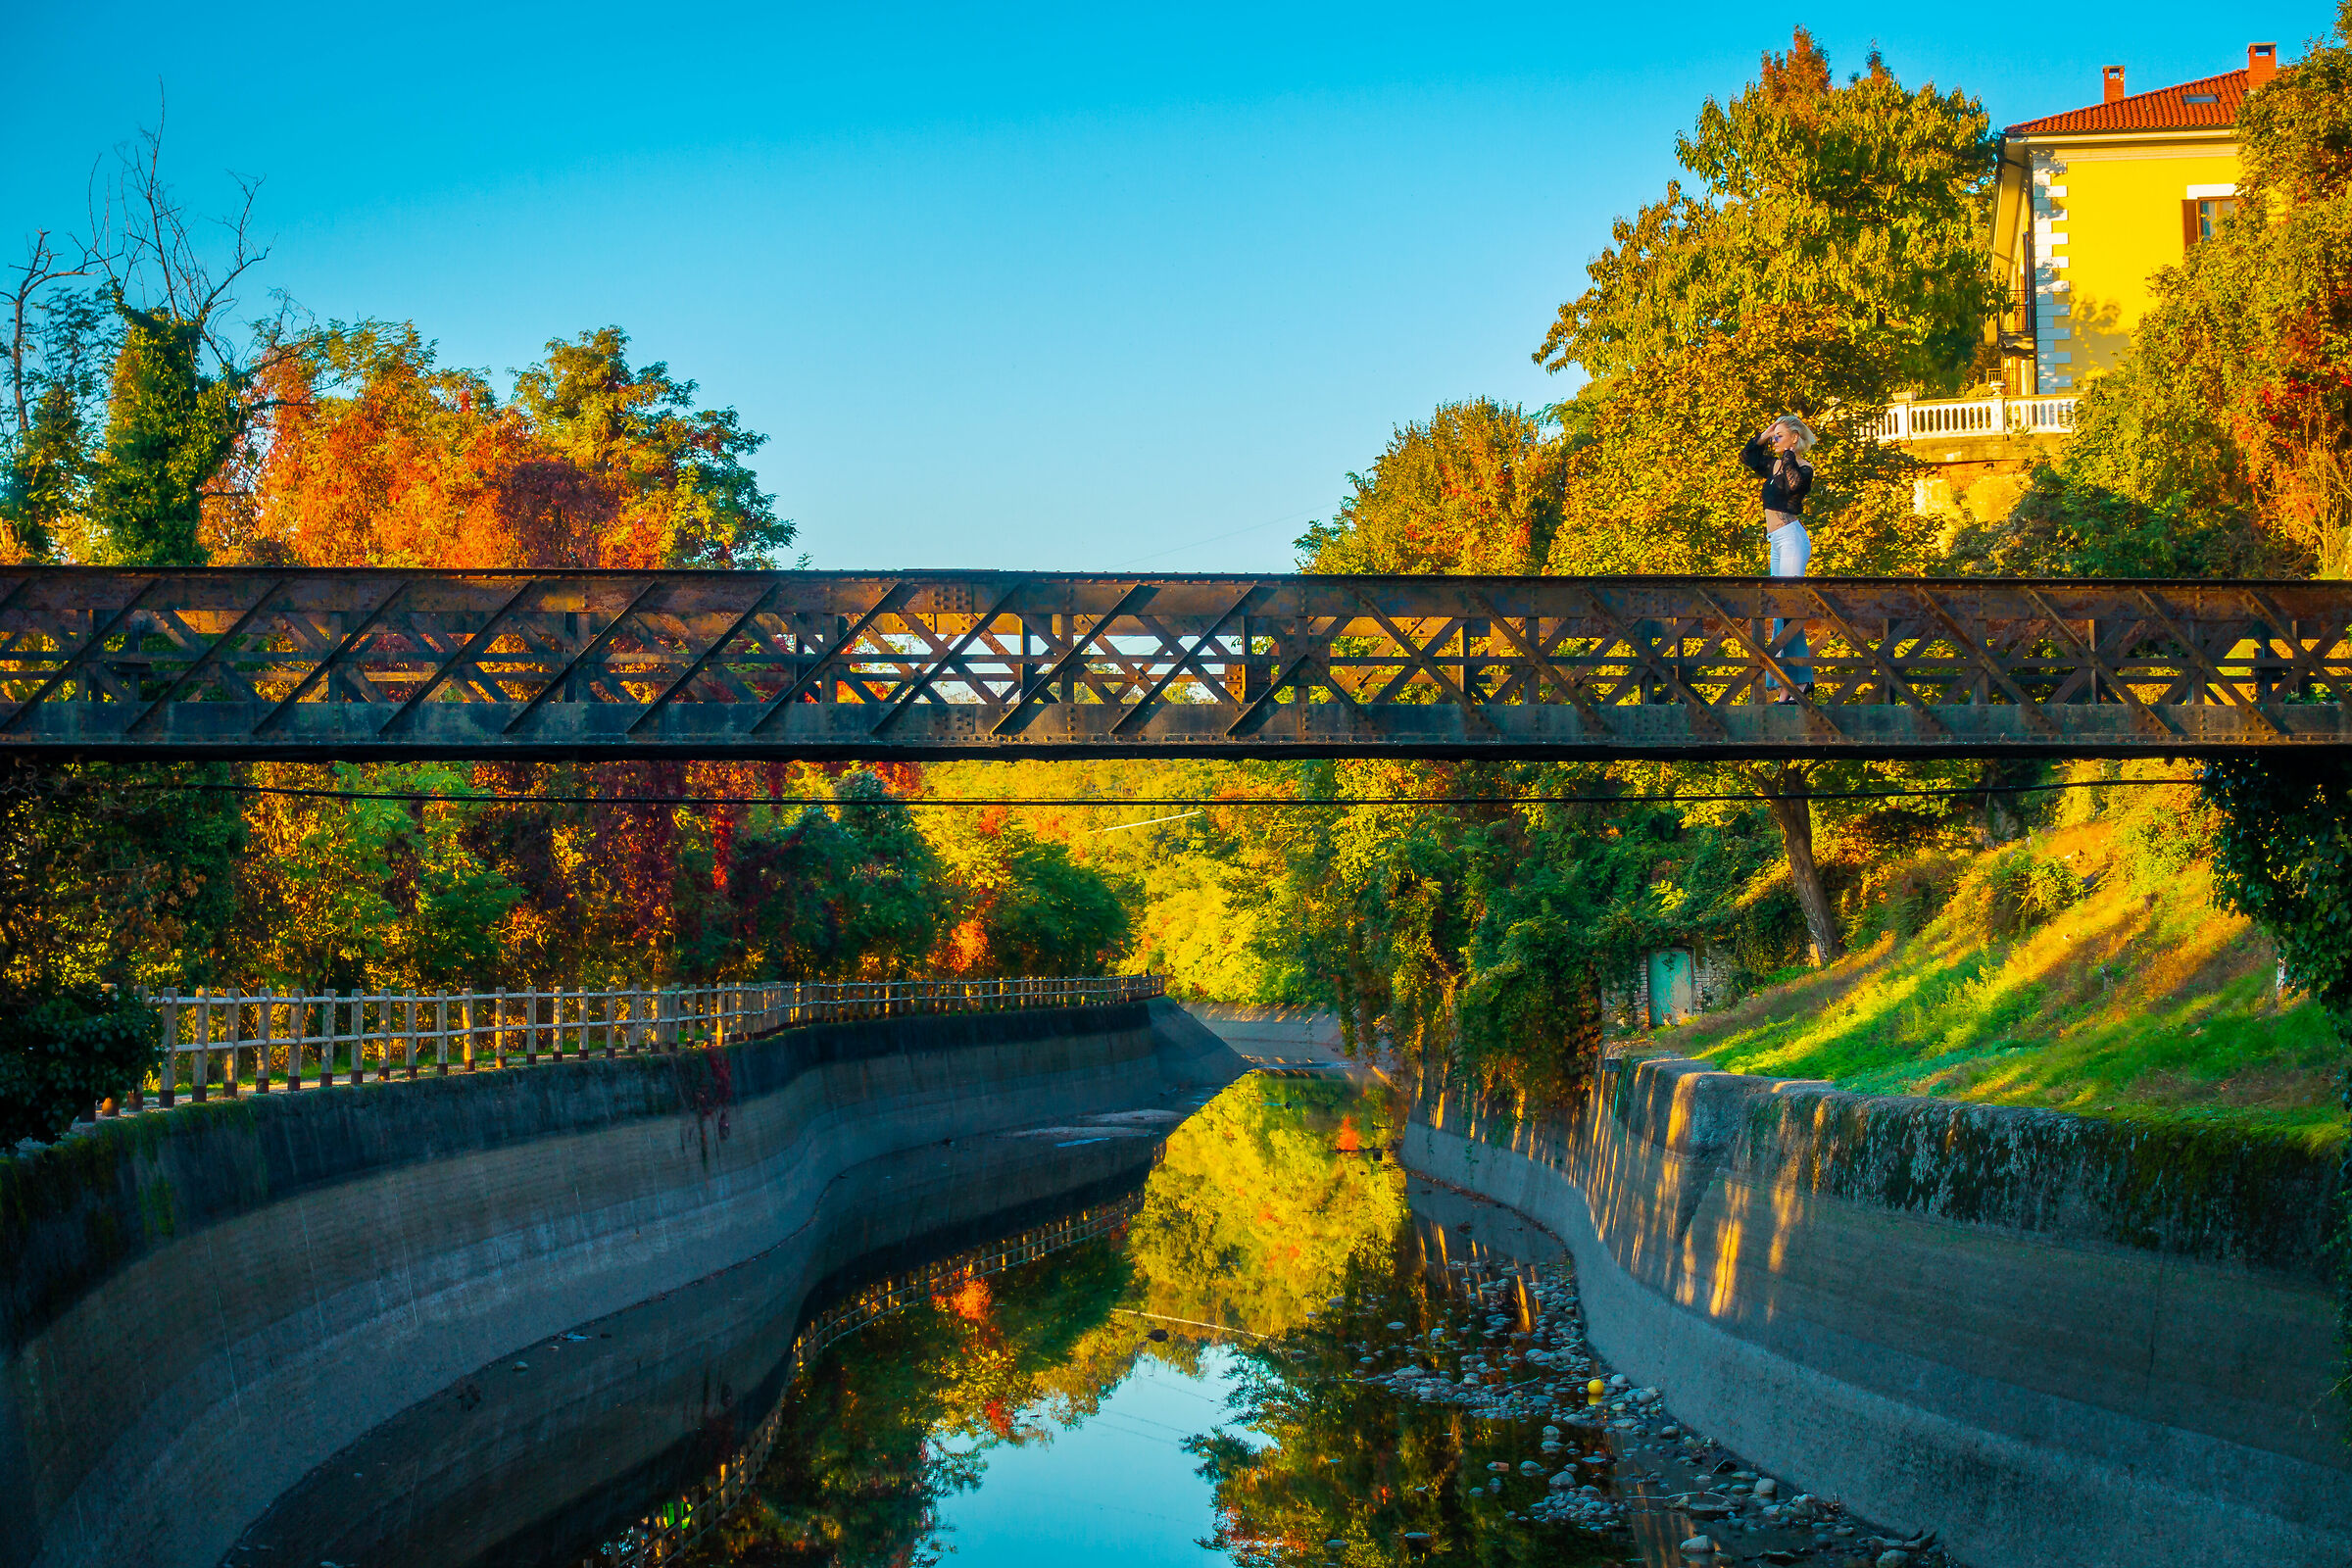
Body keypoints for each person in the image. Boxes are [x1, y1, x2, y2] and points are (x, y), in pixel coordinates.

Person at [1740, 416, 1817, 702]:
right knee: (1780, 613)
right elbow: (1748, 457)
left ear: (1795, 438)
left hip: (1792, 539)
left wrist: (1788, 453)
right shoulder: (1773, 466)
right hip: (1776, 543)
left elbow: (1794, 485)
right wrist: (1763, 435)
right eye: (1774, 437)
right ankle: (1797, 682)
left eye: (1780, 436)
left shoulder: (1804, 468)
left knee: (1787, 611)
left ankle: (1791, 686)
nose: (1775, 441)